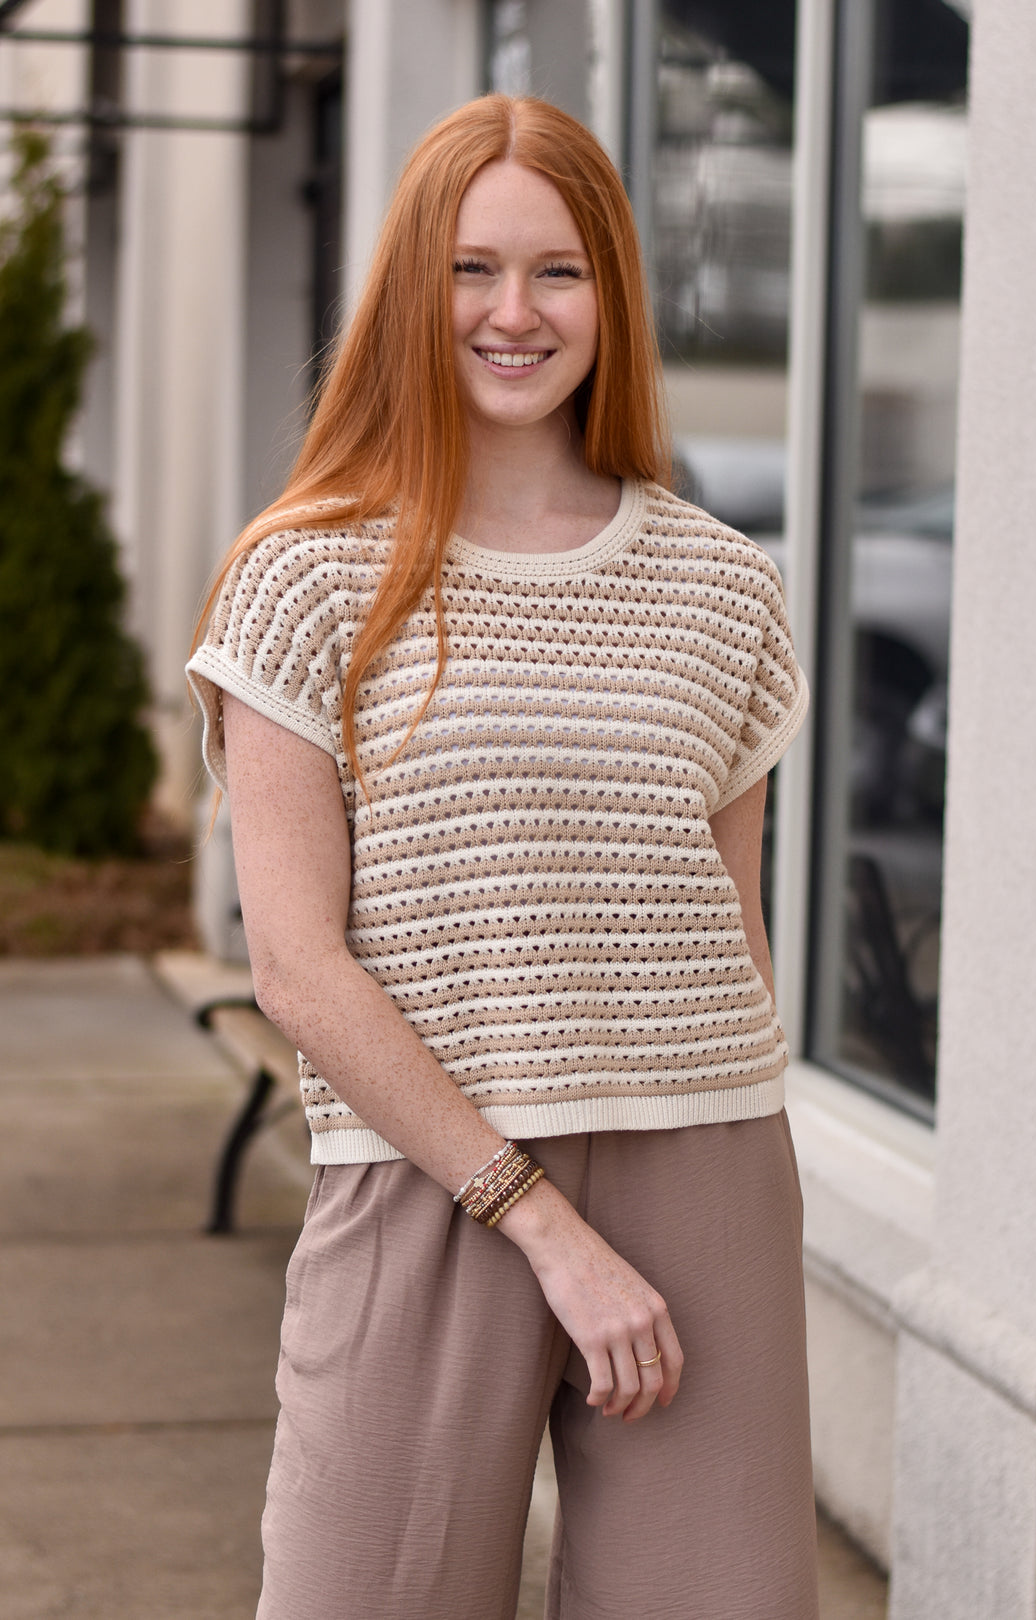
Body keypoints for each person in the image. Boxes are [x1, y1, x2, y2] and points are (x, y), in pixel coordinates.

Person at [187, 93, 817, 1620]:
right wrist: (536, 1218)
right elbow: (297, 964)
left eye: (559, 272)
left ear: (615, 295)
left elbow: (725, 921)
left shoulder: (725, 590)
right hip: (427, 1174)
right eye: (473, 270)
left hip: (703, 1155)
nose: (514, 314)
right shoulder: (309, 573)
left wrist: (707, 1151)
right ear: (415, 288)